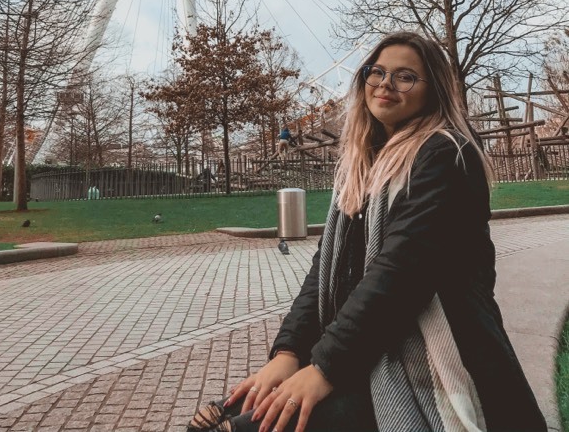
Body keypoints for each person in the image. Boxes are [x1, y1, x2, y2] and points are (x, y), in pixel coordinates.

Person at [187, 32, 547, 432]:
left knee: (241, 427)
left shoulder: (445, 154)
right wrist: (288, 352)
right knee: (218, 416)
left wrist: (323, 368)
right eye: (377, 72)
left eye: (405, 76)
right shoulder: (362, 165)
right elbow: (324, 265)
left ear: (434, 91)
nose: (385, 84)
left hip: (430, 358)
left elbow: (400, 274)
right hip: (369, 347)